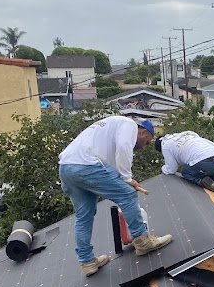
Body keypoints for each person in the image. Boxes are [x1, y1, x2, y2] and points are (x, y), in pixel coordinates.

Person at [59, 115, 173, 276]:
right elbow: (124, 148)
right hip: (86, 165)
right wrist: (127, 179)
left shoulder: (109, 131)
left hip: (66, 168)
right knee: (128, 195)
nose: (144, 147)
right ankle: (142, 241)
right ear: (143, 132)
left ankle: (87, 262)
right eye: (147, 142)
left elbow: (111, 169)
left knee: (83, 216)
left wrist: (124, 179)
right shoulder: (129, 124)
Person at [155, 131, 214, 195]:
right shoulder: (188, 133)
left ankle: (204, 183)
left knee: (186, 172)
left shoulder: (166, 146)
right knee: (209, 173)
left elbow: (172, 169)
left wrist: (163, 168)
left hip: (204, 163)